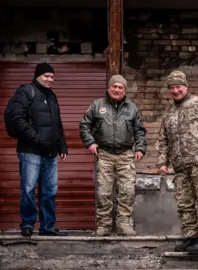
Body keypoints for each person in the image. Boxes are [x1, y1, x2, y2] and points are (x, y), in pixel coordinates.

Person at [156, 70, 198, 254]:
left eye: (178, 86)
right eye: (172, 87)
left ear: (186, 86)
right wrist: (163, 162)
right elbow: (163, 139)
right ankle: (191, 237)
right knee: (184, 203)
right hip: (180, 166)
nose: (175, 90)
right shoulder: (169, 113)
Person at [79, 74, 147, 236]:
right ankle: (104, 225)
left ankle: (124, 224)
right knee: (104, 191)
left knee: (127, 191)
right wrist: (90, 142)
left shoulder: (132, 108)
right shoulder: (97, 105)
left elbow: (140, 130)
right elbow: (84, 125)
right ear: (108, 88)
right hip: (105, 154)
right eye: (114, 86)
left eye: (120, 87)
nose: (117, 90)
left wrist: (140, 148)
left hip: (126, 155)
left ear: (125, 90)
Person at [7, 62, 68, 237]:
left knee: (49, 191)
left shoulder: (52, 96)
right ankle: (27, 224)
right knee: (28, 189)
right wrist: (37, 139)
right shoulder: (26, 92)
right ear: (37, 76)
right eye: (46, 76)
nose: (50, 80)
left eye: (52, 77)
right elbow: (18, 119)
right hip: (30, 151)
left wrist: (62, 145)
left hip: (50, 153)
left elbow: (58, 124)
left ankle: (47, 227)